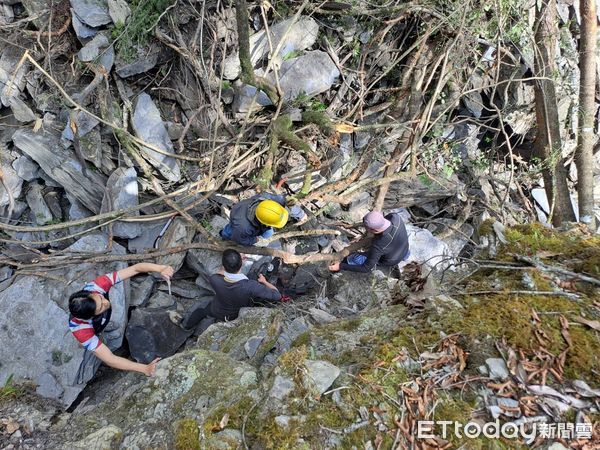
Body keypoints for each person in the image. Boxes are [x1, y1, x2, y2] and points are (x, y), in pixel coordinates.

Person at [69, 263, 174, 376]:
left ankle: (104, 323)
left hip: (96, 315)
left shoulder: (95, 287)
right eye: (101, 308)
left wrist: (161, 268)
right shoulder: (81, 330)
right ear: (90, 316)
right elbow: (109, 358)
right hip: (94, 326)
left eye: (101, 298)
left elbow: (134, 269)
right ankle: (100, 332)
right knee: (100, 345)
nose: (106, 302)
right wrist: (144, 368)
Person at [170, 249, 289, 330]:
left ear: (223, 266)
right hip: (236, 313)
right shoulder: (250, 286)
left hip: (217, 308)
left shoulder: (215, 279)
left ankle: (185, 327)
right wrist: (264, 282)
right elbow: (277, 295)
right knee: (257, 276)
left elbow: (221, 272)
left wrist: (232, 263)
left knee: (200, 310)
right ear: (241, 264)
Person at [329, 211, 410, 273]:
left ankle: (343, 265)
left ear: (373, 230)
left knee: (354, 258)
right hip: (404, 247)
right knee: (398, 247)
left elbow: (366, 268)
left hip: (391, 260)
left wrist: (341, 266)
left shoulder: (379, 245)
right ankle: (404, 255)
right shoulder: (395, 217)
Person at [220, 192, 304, 246]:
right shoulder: (242, 227)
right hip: (238, 215)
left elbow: (287, 203)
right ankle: (224, 235)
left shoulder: (267, 199)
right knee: (230, 230)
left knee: (268, 233)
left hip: (246, 211)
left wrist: (301, 214)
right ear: (265, 223)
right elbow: (240, 239)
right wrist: (254, 240)